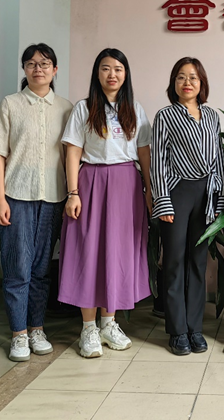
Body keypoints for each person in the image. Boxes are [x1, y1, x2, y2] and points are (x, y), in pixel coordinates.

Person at [59, 48, 152, 358]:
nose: (112, 74)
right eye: (105, 68)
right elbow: (73, 151)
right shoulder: (84, 108)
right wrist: (73, 192)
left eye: (118, 69)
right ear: (97, 73)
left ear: (126, 74)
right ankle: (88, 328)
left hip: (126, 184)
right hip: (91, 182)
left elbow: (144, 153)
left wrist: (149, 190)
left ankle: (108, 323)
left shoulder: (134, 109)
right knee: (89, 250)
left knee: (118, 252)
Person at [0, 44, 73, 362]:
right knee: (17, 268)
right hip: (17, 196)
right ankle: (18, 334)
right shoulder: (10, 104)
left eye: (45, 63)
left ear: (55, 69)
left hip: (53, 197)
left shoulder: (66, 108)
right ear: (24, 69)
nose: (38, 69)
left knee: (41, 269)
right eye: (32, 64)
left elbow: (71, 156)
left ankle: (37, 328)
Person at [151, 57, 224, 355]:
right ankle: (177, 331)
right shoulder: (165, 116)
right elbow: (158, 160)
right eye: (181, 77)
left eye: (193, 77)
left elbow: (218, 159)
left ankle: (195, 328)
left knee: (198, 262)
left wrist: (219, 199)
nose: (187, 82)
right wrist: (163, 201)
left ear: (201, 83)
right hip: (177, 193)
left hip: (206, 194)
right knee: (174, 262)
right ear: (174, 83)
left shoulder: (210, 116)